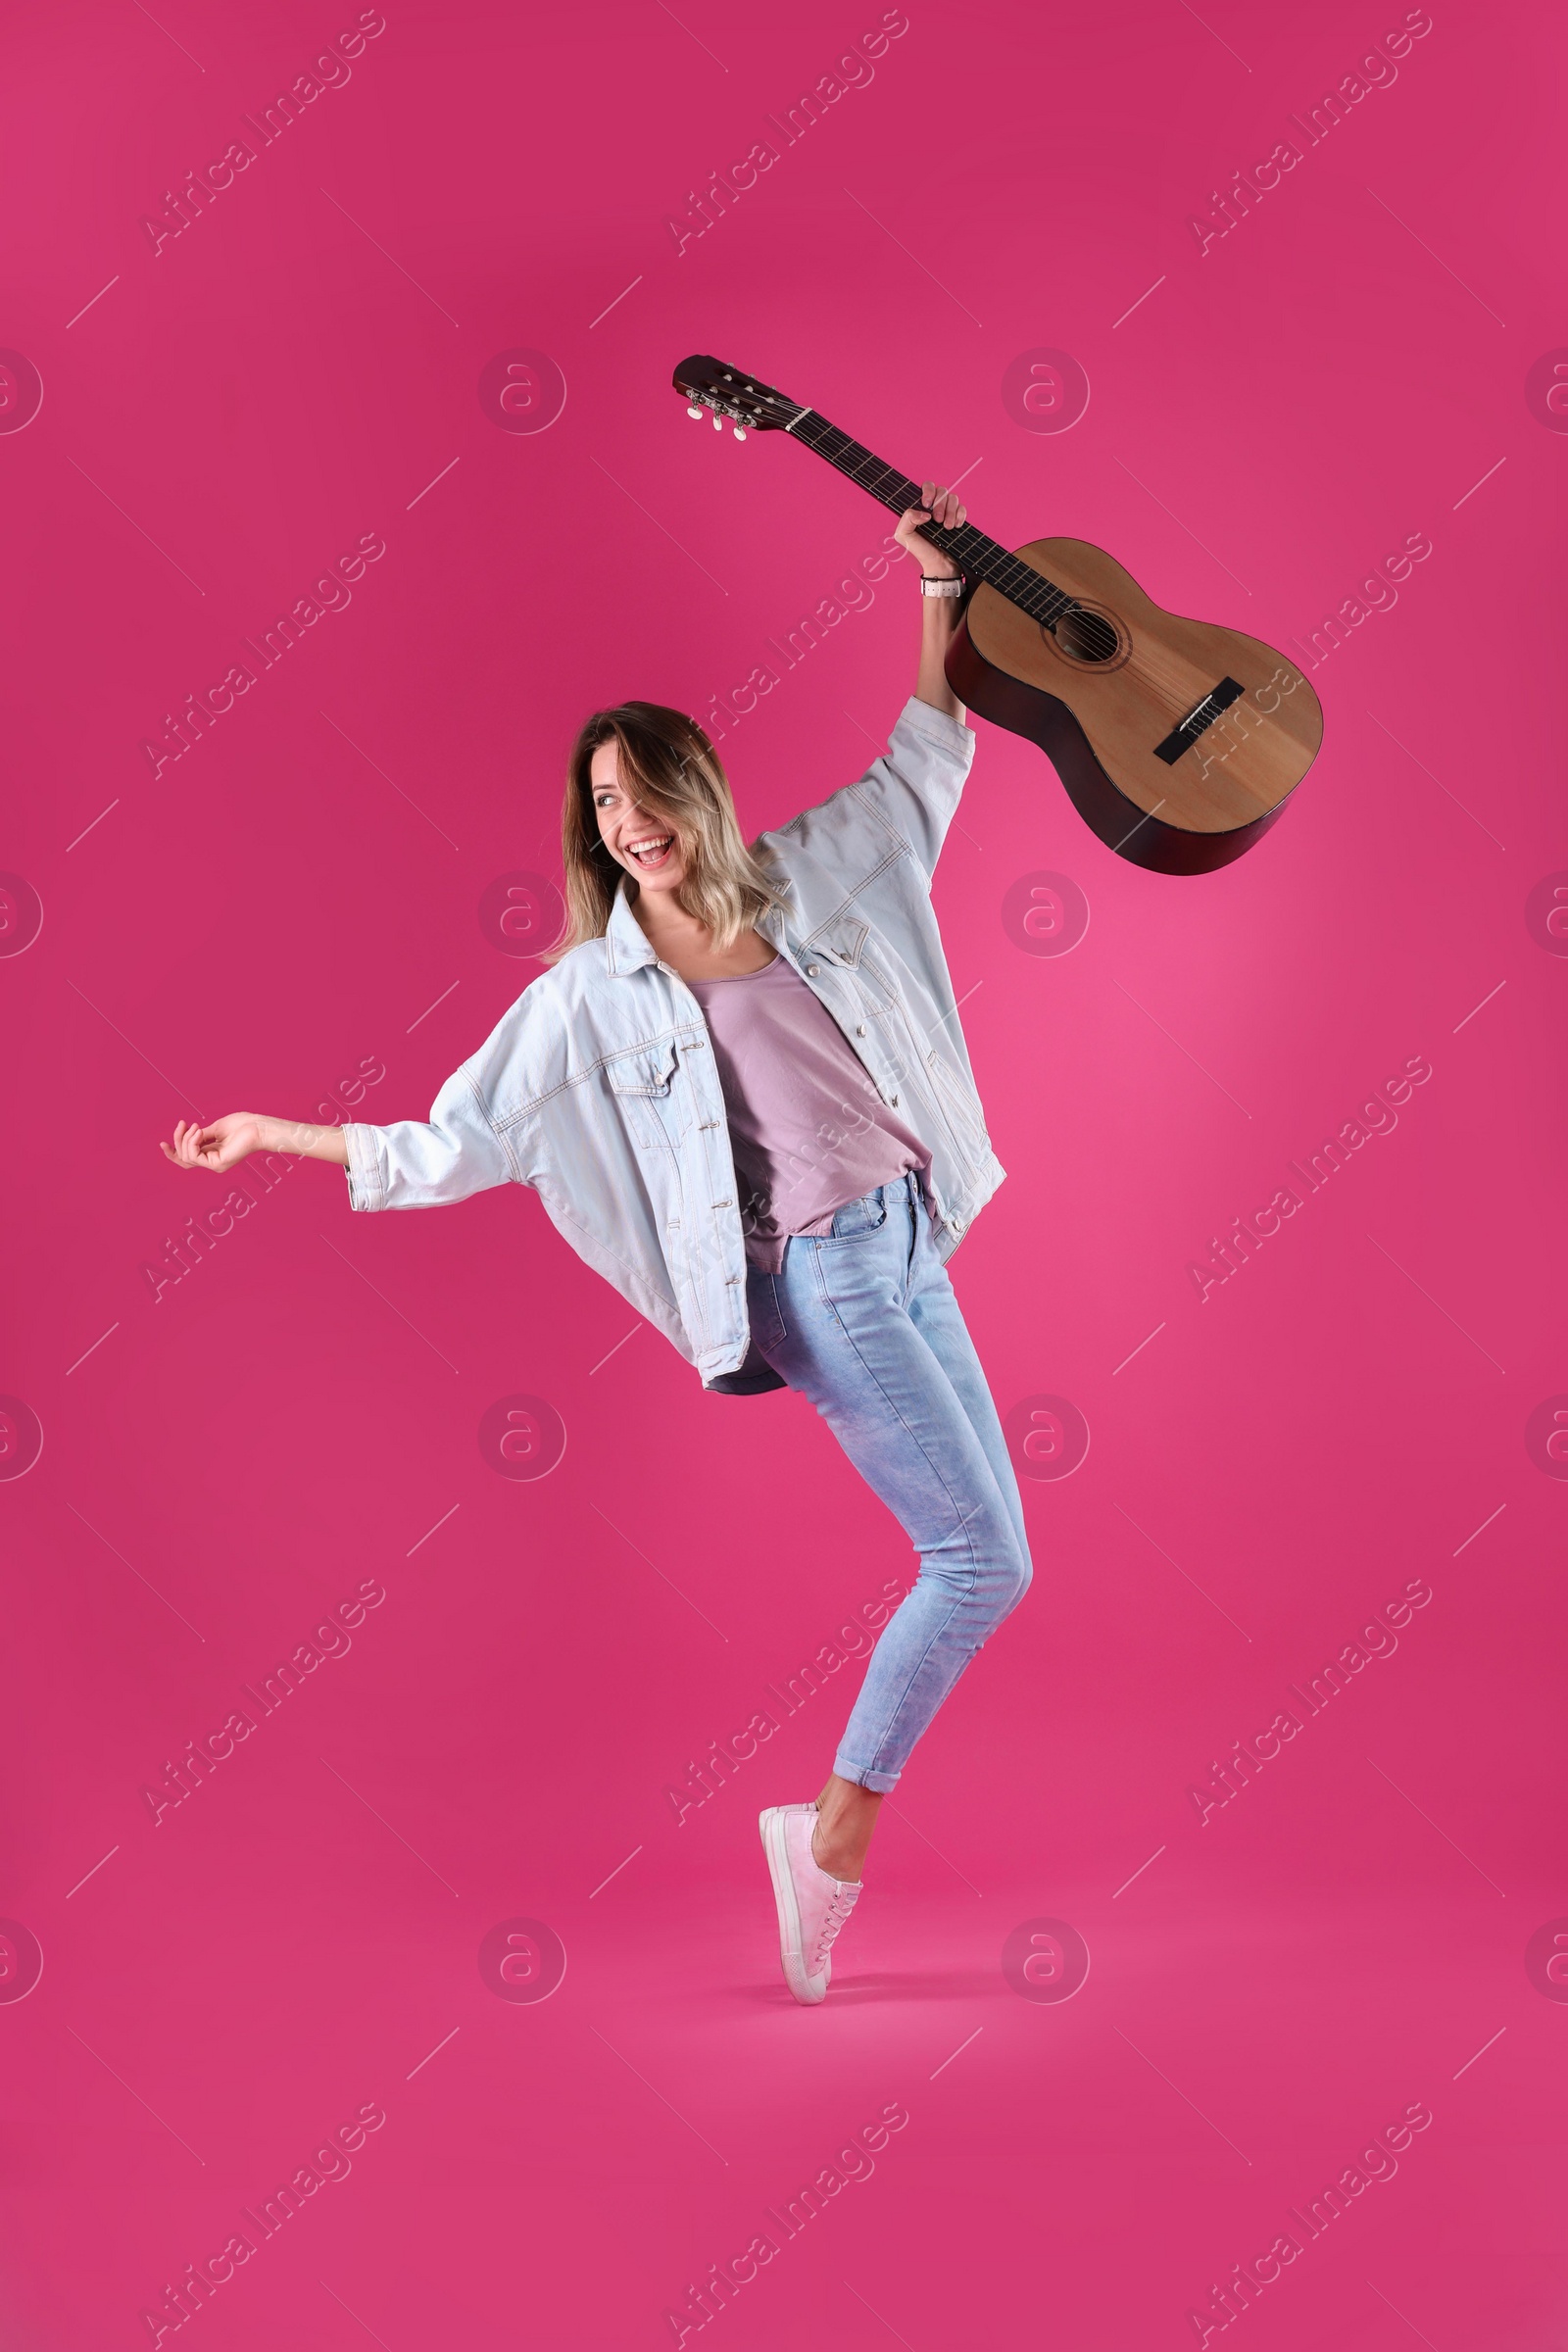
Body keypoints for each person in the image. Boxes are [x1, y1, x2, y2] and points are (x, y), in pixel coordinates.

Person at [161, 484, 1033, 2006]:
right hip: (822, 1277)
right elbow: (458, 1139)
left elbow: (923, 764)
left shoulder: (805, 878)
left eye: (643, 795)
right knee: (977, 1558)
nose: (624, 826)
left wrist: (938, 592)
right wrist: (278, 1135)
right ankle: (829, 1840)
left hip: (911, 1236)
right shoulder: (590, 995)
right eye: (602, 809)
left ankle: (821, 1835)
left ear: (697, 793)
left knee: (992, 1557)